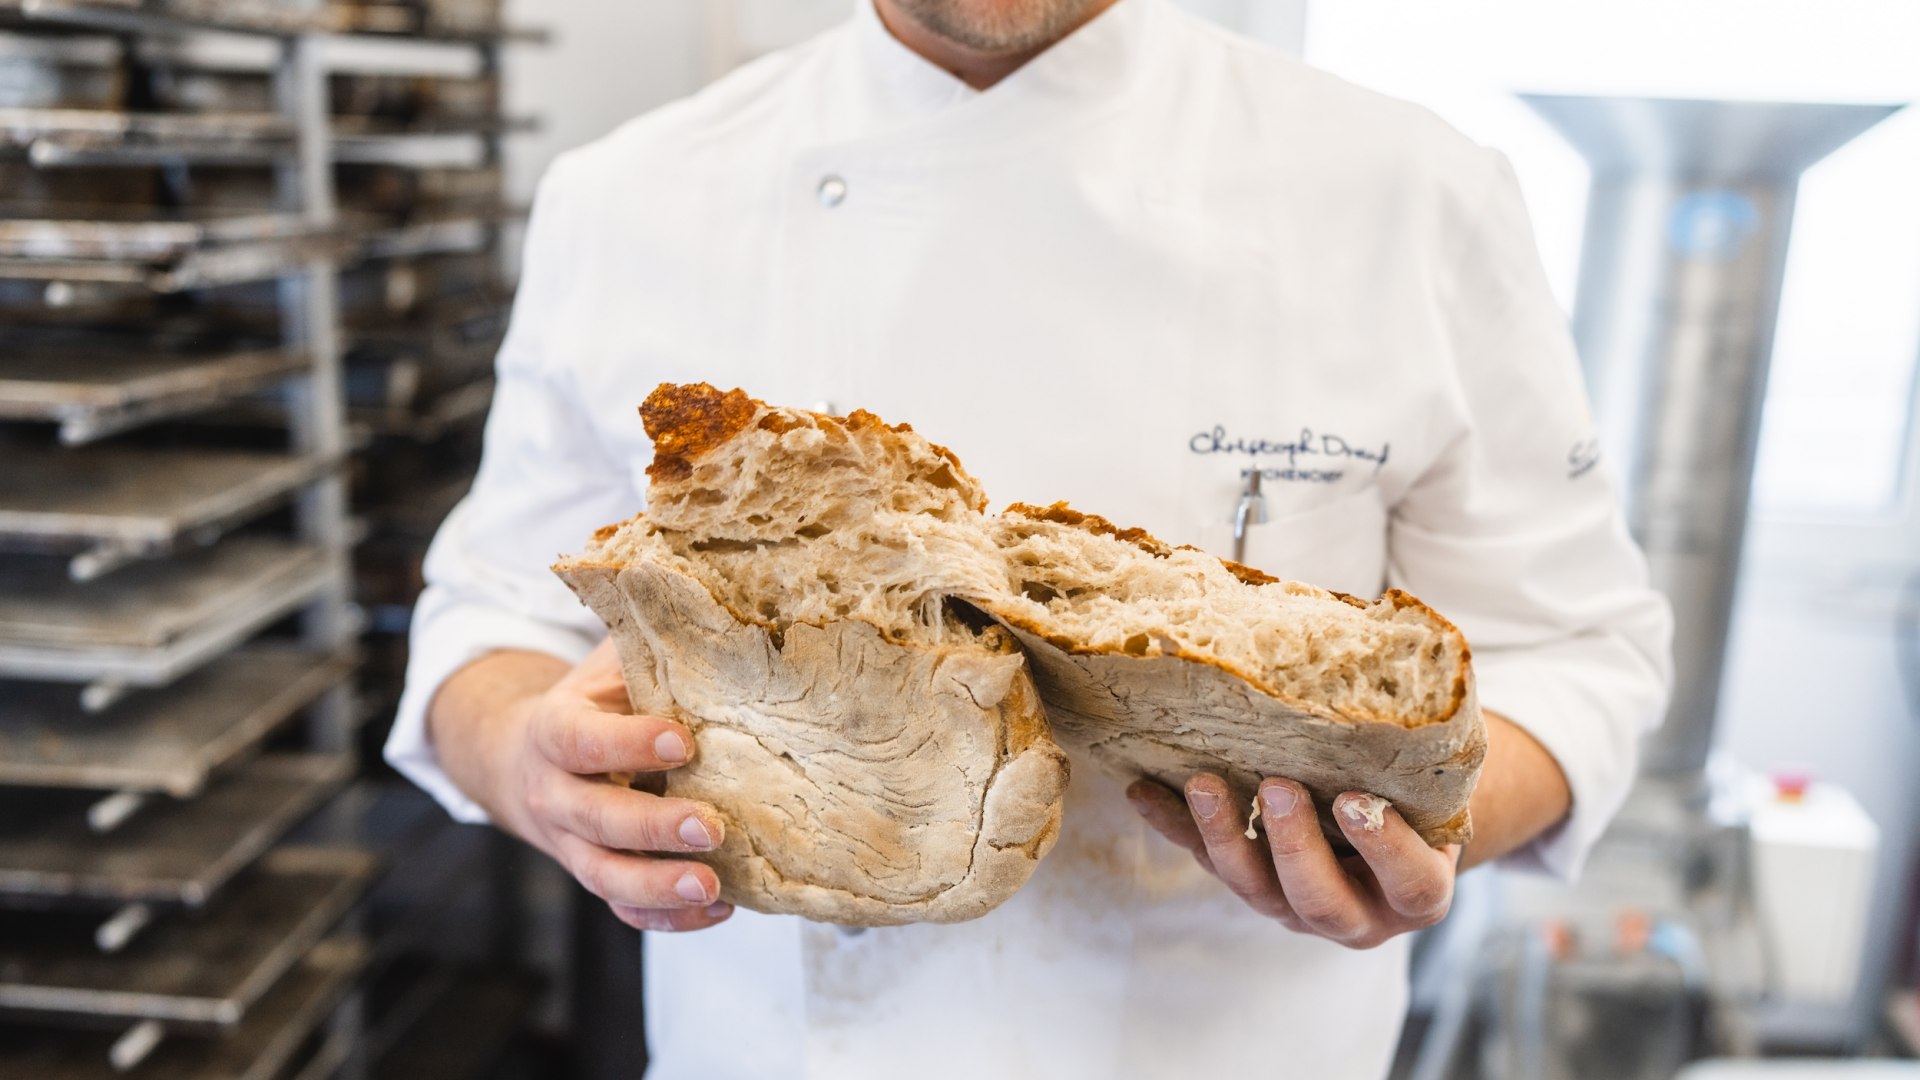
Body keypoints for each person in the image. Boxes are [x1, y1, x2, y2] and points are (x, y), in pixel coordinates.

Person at [387, 0, 1674, 1075]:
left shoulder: (1413, 195)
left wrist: (1423, 833)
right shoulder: (629, 197)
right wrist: (524, 754)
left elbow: (1575, 654)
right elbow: (490, 618)